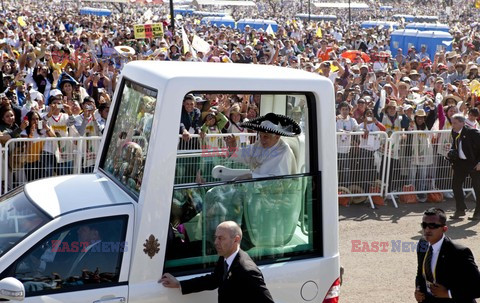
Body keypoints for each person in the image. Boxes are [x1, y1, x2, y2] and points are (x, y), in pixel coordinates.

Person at [160, 221, 274, 303]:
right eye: (216, 238)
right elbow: (213, 280)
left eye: (221, 238)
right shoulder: (225, 257)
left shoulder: (247, 270)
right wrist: (179, 284)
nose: (215, 242)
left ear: (236, 239)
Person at [414, 208, 480, 303]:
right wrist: (418, 288)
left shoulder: (459, 252)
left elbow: (477, 287)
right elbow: (420, 272)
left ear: (444, 229)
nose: (427, 229)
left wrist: (448, 293)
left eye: (432, 226)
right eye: (424, 225)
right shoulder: (423, 243)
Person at [224, 112, 301, 178]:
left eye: (266, 136)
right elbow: (244, 154)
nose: (262, 139)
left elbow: (278, 181)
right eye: (260, 135)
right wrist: (232, 147)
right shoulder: (258, 145)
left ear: (277, 137)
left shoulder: (284, 152)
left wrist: (251, 177)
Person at [449, 114, 480, 220]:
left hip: (474, 162)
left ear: (462, 123)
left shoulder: (472, 132)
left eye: (455, 123)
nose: (452, 125)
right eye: (452, 122)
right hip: (461, 163)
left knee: (478, 188)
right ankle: (460, 210)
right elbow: (456, 145)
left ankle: (478, 213)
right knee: (456, 185)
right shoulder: (454, 132)